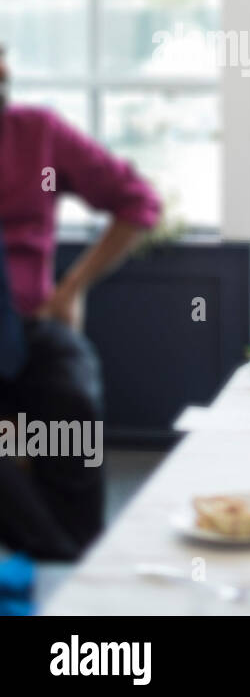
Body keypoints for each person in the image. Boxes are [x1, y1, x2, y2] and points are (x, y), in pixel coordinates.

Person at [0, 42, 161, 559]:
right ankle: (58, 555)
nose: (5, 67)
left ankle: (82, 550)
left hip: (28, 323)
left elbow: (138, 202)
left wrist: (72, 289)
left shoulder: (36, 132)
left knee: (71, 393)